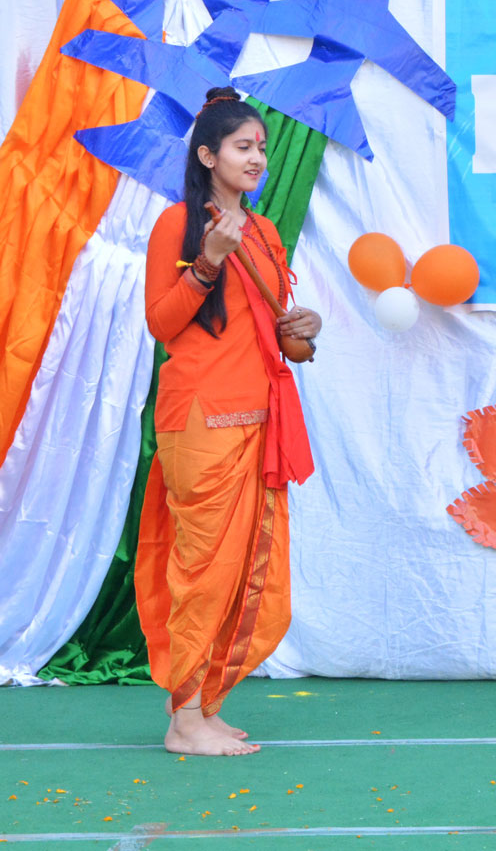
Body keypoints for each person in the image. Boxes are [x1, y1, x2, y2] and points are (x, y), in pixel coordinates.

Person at [136, 87, 320, 755]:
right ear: (208, 155)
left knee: (248, 575)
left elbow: (279, 340)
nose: (258, 159)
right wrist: (209, 259)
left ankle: (206, 705)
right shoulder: (176, 225)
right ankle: (183, 720)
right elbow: (161, 324)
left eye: (262, 148)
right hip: (200, 419)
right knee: (202, 571)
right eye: (243, 147)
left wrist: (304, 329)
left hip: (260, 419)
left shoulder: (264, 233)